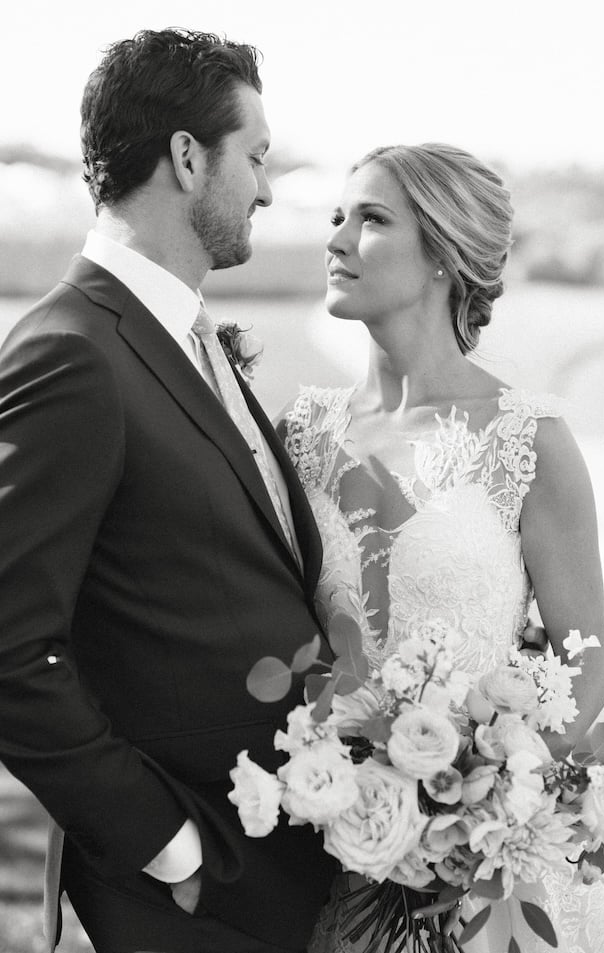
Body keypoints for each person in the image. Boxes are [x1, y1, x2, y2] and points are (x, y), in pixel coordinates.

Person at [0, 28, 336, 953]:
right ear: (188, 158)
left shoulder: (190, 338)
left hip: (282, 871)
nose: (267, 188)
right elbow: (9, 649)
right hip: (188, 896)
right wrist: (172, 850)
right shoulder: (73, 353)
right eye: (256, 158)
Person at [277, 143, 604, 951]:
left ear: (445, 256)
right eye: (337, 216)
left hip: (490, 876)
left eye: (371, 218)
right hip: (334, 855)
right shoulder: (300, 433)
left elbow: (585, 665)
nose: (337, 238)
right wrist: (358, 805)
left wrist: (467, 812)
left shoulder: (529, 438)